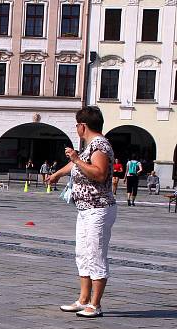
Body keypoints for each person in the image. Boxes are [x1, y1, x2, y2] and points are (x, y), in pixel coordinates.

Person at [45, 106, 115, 318]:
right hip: (85, 209)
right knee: (82, 254)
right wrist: (58, 173)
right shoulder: (90, 146)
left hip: (99, 209)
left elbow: (100, 173)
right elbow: (76, 167)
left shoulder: (100, 145)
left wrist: (76, 159)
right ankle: (83, 300)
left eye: (77, 124)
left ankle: (95, 304)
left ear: (83, 126)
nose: (76, 128)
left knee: (95, 255)